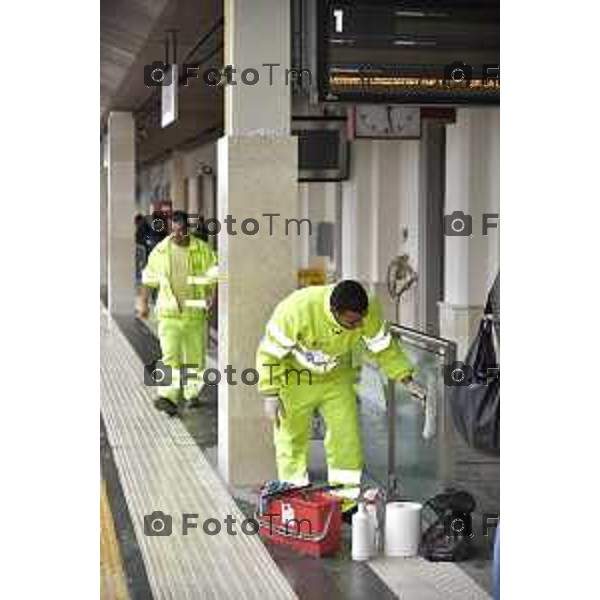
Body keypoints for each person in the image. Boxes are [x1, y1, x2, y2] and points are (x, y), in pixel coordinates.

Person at [255, 280, 423, 511]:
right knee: (291, 439)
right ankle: (293, 499)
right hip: (295, 380)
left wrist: (406, 378)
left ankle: (345, 502)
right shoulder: (297, 309)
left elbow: (383, 348)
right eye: (352, 322)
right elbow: (270, 353)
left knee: (346, 437)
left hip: (337, 379)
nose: (359, 325)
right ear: (334, 312)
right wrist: (270, 392)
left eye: (361, 319)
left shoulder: (367, 311)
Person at [138, 210, 218, 416]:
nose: (177, 234)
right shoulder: (160, 251)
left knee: (195, 357)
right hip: (168, 314)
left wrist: (211, 295)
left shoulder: (202, 249)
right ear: (169, 228)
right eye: (173, 230)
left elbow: (212, 275)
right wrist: (143, 303)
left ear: (188, 229)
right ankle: (168, 396)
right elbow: (148, 279)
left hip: (194, 313)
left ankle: (192, 394)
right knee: (168, 356)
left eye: (181, 230)